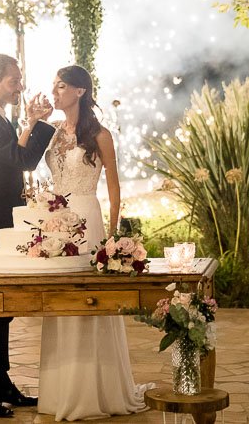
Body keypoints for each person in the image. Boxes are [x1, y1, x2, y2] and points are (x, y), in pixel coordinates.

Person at [38, 65, 150, 421]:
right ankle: (61, 392)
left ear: (80, 91)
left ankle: (95, 390)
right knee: (60, 301)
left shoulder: (100, 135)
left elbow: (114, 188)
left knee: (89, 298)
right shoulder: (53, 133)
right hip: (55, 221)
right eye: (54, 86)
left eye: (61, 86)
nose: (54, 92)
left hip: (88, 219)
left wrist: (113, 237)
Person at [0, 53, 56, 418]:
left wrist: (31, 122)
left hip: (6, 224)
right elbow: (24, 161)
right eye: (13, 80)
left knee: (2, 309)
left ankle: (1, 382)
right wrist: (42, 125)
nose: (20, 86)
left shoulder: (0, 118)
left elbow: (15, 153)